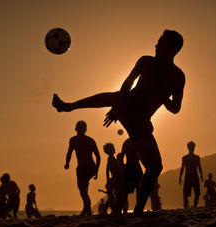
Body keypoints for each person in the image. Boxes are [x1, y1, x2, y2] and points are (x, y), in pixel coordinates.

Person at [52, 30, 185, 213]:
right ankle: (67, 106)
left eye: (160, 43)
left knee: (155, 166)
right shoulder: (145, 61)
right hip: (128, 104)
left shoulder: (178, 76)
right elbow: (127, 83)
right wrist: (118, 107)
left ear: (172, 48)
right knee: (112, 97)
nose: (155, 45)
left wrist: (162, 98)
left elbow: (176, 108)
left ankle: (138, 209)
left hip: (141, 120)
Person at [65, 121, 101, 216]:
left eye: (80, 128)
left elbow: (98, 156)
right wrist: (67, 163)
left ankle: (87, 209)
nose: (79, 130)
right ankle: (86, 209)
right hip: (81, 167)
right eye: (78, 128)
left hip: (89, 167)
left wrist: (96, 170)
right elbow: (69, 152)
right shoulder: (73, 140)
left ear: (84, 129)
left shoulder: (89, 140)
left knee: (82, 188)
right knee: (84, 188)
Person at [120, 138, 143, 211]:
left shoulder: (130, 141)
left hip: (133, 166)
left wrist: (122, 168)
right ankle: (126, 210)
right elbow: (121, 156)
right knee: (134, 189)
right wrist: (122, 168)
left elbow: (121, 156)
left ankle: (130, 210)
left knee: (136, 189)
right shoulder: (132, 141)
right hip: (132, 166)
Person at [179, 141, 204, 208]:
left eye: (193, 147)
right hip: (189, 176)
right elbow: (182, 168)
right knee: (186, 194)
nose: (193, 148)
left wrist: (201, 175)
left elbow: (199, 166)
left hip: (193, 176)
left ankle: (194, 206)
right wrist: (180, 177)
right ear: (189, 148)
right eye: (192, 147)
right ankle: (186, 206)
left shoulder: (196, 157)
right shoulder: (185, 158)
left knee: (197, 193)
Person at [103, 143, 123, 214]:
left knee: (112, 195)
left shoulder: (111, 158)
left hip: (114, 179)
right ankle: (113, 209)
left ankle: (108, 209)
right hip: (115, 179)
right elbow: (109, 169)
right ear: (110, 150)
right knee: (116, 195)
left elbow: (107, 170)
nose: (114, 148)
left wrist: (108, 179)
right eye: (113, 148)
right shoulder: (111, 158)